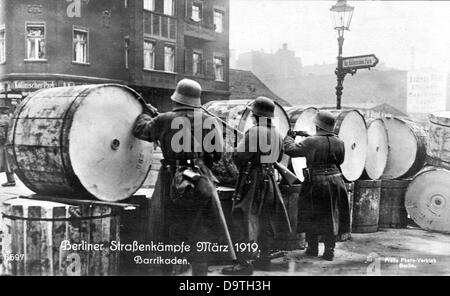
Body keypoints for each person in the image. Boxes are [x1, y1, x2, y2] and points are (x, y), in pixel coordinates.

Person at [133, 79, 235, 276]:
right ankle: (200, 276)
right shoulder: (208, 120)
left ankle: (167, 271)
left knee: (167, 226)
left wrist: (146, 113)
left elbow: (141, 130)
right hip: (201, 179)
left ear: (176, 98)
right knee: (199, 230)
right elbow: (217, 154)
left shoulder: (164, 119)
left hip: (171, 179)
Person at [222, 97, 291, 275]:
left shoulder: (253, 132)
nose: (251, 116)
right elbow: (278, 156)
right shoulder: (278, 134)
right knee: (265, 219)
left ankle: (244, 264)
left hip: (252, 179)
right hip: (269, 179)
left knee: (243, 217)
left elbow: (240, 157)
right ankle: (264, 259)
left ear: (256, 115)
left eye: (253, 113)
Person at [283, 110, 350, 261]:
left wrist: (289, 137)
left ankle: (312, 248)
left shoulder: (311, 141)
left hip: (315, 182)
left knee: (310, 214)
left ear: (317, 126)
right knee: (331, 215)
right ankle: (329, 251)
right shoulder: (340, 142)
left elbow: (290, 150)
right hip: (336, 181)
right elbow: (340, 161)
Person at [0, 106, 15, 187]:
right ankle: (11, 180)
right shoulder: (10, 118)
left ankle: (11, 180)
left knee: (6, 162)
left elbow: (1, 134)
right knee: (8, 163)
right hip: (9, 143)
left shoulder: (2, 120)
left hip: (4, 144)